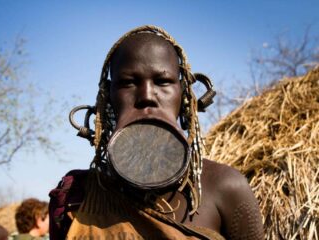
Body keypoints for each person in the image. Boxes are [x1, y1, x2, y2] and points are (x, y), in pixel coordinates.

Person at [49, 25, 264, 239]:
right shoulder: (76, 197)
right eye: (128, 83)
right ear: (108, 98)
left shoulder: (226, 187)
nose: (147, 96)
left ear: (184, 94)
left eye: (162, 81)